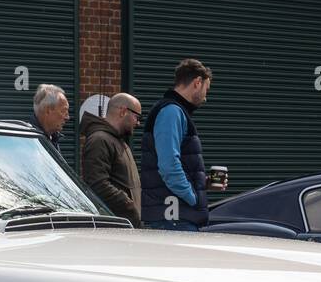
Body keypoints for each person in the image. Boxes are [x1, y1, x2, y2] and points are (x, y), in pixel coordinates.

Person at [140, 58, 218, 230]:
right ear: (197, 82)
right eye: (207, 89)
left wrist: (202, 184)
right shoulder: (171, 112)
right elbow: (168, 166)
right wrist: (192, 197)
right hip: (175, 217)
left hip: (174, 215)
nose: (206, 97)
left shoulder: (174, 111)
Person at [80, 93, 143, 227]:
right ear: (123, 111)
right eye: (137, 117)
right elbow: (97, 184)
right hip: (114, 228)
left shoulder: (118, 141)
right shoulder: (99, 140)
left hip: (126, 225)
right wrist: (129, 207)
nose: (138, 122)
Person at [30, 84, 69, 150]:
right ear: (48, 110)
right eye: (63, 111)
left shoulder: (52, 138)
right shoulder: (28, 142)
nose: (67, 117)